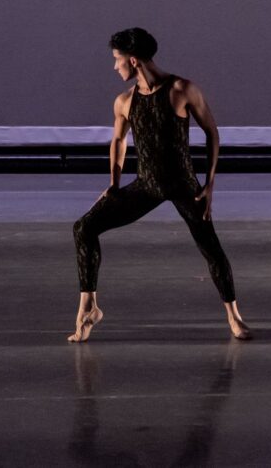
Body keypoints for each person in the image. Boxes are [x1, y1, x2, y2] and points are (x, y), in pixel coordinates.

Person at [68, 28, 250, 342]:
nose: (115, 67)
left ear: (134, 60)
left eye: (117, 60)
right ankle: (89, 308)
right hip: (147, 186)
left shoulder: (182, 89)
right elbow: (118, 141)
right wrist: (113, 185)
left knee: (211, 249)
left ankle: (234, 316)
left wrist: (208, 186)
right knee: (83, 228)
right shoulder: (125, 101)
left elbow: (212, 134)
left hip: (183, 185)